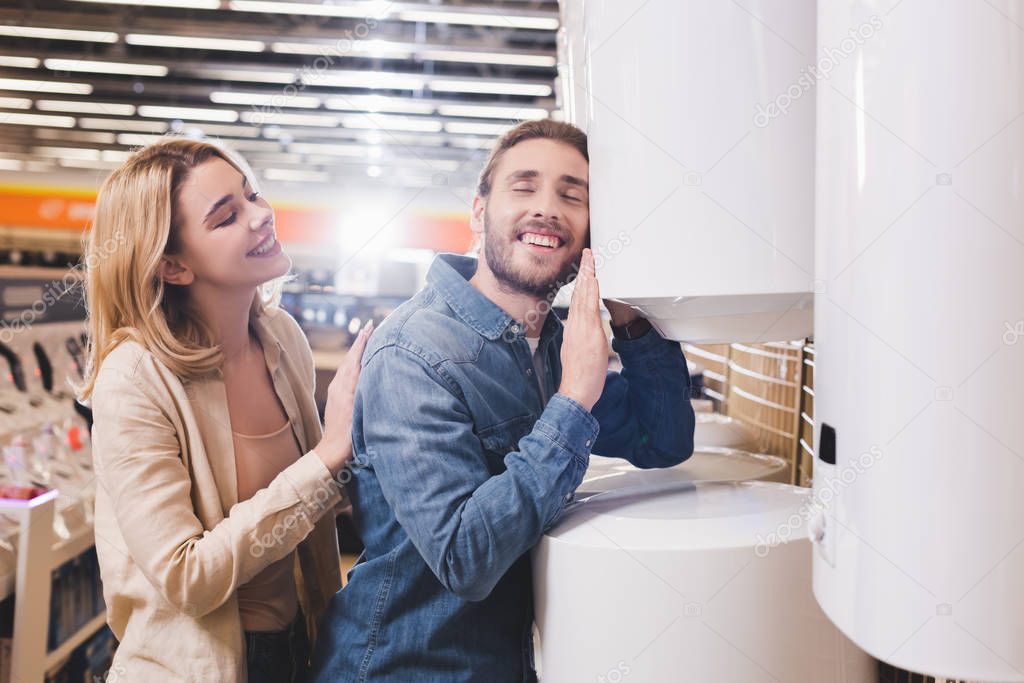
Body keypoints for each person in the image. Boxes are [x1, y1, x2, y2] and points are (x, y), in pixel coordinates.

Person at [311, 120, 695, 682]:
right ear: (478, 211)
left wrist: (630, 319)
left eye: (573, 195)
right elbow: (465, 559)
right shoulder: (413, 352)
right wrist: (573, 399)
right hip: (402, 669)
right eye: (524, 186)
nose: (547, 208)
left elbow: (663, 440)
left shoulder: (555, 343)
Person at [77, 138, 371, 681]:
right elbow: (188, 578)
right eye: (226, 216)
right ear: (172, 264)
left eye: (253, 194)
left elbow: (315, 508)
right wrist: (329, 457)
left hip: (301, 650)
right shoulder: (136, 379)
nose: (261, 216)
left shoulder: (282, 338)